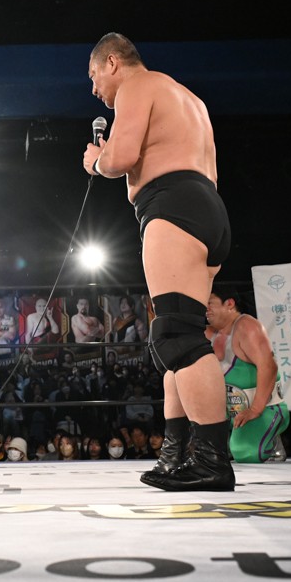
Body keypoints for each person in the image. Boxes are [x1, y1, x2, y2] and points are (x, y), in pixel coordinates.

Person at [83, 32, 233, 492]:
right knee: (176, 337)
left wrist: (97, 160)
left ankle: (211, 462)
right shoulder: (188, 98)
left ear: (113, 62)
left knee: (176, 337)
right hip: (206, 207)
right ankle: (178, 454)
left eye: (93, 76)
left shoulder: (137, 85)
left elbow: (122, 158)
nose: (94, 89)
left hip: (172, 205)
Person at [205, 288, 289, 463]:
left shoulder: (247, 326)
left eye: (210, 303)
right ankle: (230, 440)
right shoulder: (208, 333)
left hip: (263, 409)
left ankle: (272, 441)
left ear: (229, 304)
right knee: (203, 455)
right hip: (228, 413)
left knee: (245, 452)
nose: (206, 309)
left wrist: (256, 409)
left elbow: (269, 366)